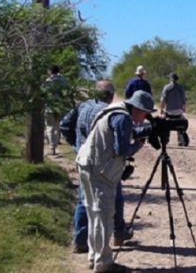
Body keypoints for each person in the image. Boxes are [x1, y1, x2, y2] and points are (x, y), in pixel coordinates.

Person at [75, 90, 155, 273]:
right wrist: (138, 146)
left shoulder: (114, 111)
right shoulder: (123, 117)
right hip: (100, 169)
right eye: (145, 112)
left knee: (93, 214)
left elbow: (122, 132)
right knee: (104, 216)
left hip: (86, 163)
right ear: (136, 108)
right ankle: (104, 264)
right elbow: (122, 149)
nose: (145, 116)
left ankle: (94, 258)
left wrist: (145, 131)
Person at [59, 81, 134, 255]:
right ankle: (118, 233)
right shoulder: (108, 112)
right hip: (102, 162)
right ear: (111, 95)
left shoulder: (82, 106)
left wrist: (75, 145)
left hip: (82, 159)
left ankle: (80, 241)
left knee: (83, 199)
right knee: (114, 197)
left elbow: (64, 124)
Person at [43, 65, 69, 156]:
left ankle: (52, 147)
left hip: (50, 107)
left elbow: (45, 94)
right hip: (60, 106)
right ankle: (56, 142)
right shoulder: (63, 81)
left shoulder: (49, 81)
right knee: (57, 126)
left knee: (50, 127)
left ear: (50, 71)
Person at [160, 72, 189, 146]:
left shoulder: (166, 87)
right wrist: (183, 108)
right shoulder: (181, 87)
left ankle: (166, 139)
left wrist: (161, 109)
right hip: (179, 110)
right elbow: (183, 100)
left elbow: (163, 100)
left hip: (169, 111)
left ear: (170, 79)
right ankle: (180, 140)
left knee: (166, 125)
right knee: (179, 124)